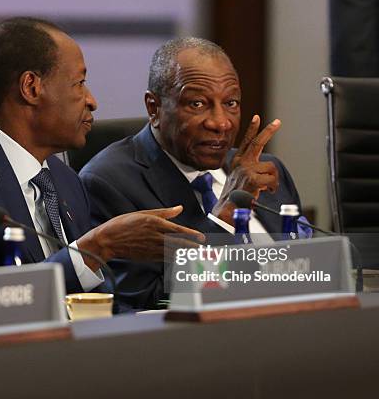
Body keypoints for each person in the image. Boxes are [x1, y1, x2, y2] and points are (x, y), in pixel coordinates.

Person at [0, 18, 205, 295]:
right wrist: (95, 248)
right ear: (31, 87)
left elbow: (98, 293)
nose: (92, 101)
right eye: (79, 83)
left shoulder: (64, 180)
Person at [79, 37, 304, 309]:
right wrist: (225, 217)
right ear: (154, 108)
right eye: (197, 104)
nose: (220, 122)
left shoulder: (266, 172)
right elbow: (142, 301)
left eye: (231, 103)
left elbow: (313, 268)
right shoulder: (110, 183)